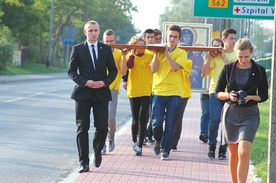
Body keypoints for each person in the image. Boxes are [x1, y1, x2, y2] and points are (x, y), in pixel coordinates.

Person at [215, 38, 268, 183]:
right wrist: (228, 95)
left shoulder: (259, 71)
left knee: (243, 152)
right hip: (231, 113)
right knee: (233, 153)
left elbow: (264, 95)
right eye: (240, 57)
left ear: (251, 53)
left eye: (246, 57)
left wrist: (251, 97)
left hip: (250, 114)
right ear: (235, 54)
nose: (243, 60)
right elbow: (217, 92)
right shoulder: (228, 69)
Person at [68, 20, 117, 173]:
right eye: (90, 30)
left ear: (99, 31)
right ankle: (83, 162)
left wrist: (104, 82)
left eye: (96, 30)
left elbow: (114, 71)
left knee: (102, 128)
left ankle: (97, 152)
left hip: (101, 94)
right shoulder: (77, 49)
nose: (93, 33)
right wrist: (86, 82)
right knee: (83, 128)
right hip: (83, 94)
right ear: (85, 32)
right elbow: (72, 71)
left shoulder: (106, 49)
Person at [151, 24, 187, 160]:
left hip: (175, 92)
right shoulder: (158, 51)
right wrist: (156, 54)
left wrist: (166, 53)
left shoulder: (181, 53)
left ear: (179, 39)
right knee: (157, 121)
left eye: (175, 37)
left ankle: (165, 149)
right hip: (159, 91)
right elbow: (153, 70)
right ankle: (157, 139)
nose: (172, 39)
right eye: (170, 36)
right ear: (167, 36)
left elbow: (175, 67)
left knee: (171, 123)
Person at [202, 28, 237, 159]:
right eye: (231, 38)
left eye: (234, 38)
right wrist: (208, 59)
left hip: (230, 92)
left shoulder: (236, 55)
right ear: (224, 40)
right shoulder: (215, 56)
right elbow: (204, 74)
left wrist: (224, 56)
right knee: (215, 119)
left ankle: (223, 149)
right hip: (215, 91)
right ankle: (211, 145)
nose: (233, 41)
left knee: (226, 122)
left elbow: (234, 73)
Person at [122, 36, 153, 156]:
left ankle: (140, 145)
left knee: (143, 118)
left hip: (146, 90)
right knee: (135, 119)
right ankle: (134, 141)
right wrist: (130, 54)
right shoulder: (131, 56)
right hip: (134, 91)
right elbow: (128, 67)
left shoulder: (149, 56)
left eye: (142, 45)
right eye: (138, 46)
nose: (141, 48)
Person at [101, 29, 123, 155]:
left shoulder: (119, 53)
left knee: (110, 118)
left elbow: (123, 71)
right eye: (106, 41)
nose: (109, 44)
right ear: (103, 41)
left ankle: (111, 137)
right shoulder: (99, 52)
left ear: (115, 41)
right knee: (100, 118)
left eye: (111, 41)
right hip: (100, 88)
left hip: (113, 88)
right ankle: (102, 143)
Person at [199, 38, 224, 143]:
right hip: (206, 91)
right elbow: (204, 74)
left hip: (217, 91)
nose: (216, 49)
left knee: (216, 117)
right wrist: (208, 59)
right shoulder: (209, 58)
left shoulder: (223, 58)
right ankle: (203, 134)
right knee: (206, 113)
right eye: (213, 46)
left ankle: (212, 136)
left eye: (218, 46)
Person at [172, 58, 192, 151]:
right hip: (170, 92)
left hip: (183, 93)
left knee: (177, 119)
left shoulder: (187, 62)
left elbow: (181, 72)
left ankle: (174, 142)